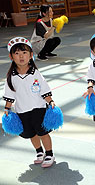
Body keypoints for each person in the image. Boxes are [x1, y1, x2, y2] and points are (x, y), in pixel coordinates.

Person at [3, 37, 56, 167]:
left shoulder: (35, 73)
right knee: (31, 133)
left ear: (31, 55)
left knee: (43, 132)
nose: (21, 56)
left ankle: (50, 154)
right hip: (22, 110)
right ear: (11, 57)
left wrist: (51, 101)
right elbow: (9, 95)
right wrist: (7, 108)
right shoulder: (11, 77)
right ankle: (39, 152)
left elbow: (44, 89)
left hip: (39, 108)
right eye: (17, 53)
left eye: (24, 53)